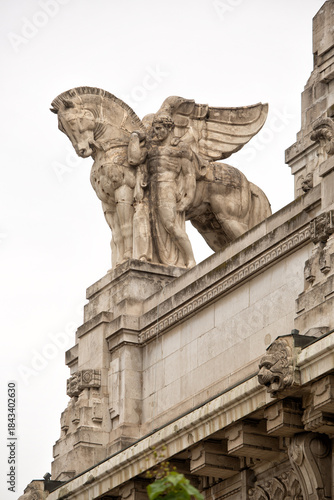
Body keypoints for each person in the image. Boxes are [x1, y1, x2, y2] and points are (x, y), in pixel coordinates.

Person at [128, 114, 196, 268]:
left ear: (168, 128)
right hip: (151, 188)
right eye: (154, 129)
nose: (156, 132)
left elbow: (189, 174)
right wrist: (134, 137)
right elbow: (134, 158)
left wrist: (188, 197)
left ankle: (190, 258)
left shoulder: (180, 147)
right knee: (153, 227)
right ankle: (161, 259)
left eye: (159, 129)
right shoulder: (151, 148)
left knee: (170, 224)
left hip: (168, 186)